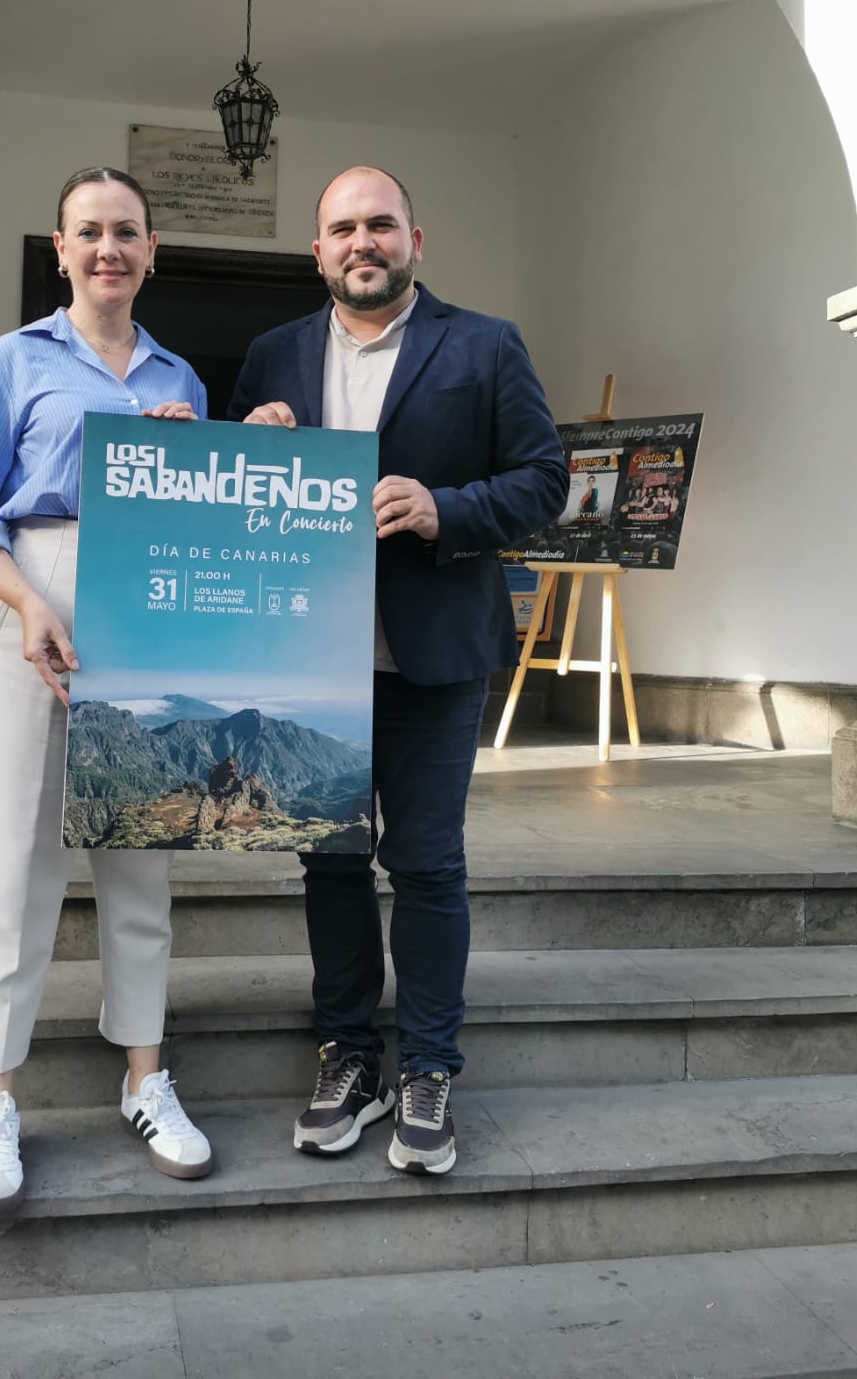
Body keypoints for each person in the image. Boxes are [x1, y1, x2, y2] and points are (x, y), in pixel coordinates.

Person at [228, 166, 568, 1175]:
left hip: (433, 656)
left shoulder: (486, 344)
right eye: (342, 228)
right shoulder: (271, 355)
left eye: (379, 224)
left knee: (425, 863)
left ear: (416, 237)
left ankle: (428, 1065)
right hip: (309, 656)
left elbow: (545, 477)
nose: (361, 242)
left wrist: (446, 510)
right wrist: (247, 449)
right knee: (329, 859)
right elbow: (238, 505)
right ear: (318, 250)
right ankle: (347, 1054)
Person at [0, 166, 214, 1214]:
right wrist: (25, 601)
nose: (109, 249)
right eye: (89, 232)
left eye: (127, 232)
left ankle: (146, 1077)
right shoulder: (11, 361)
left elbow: (200, 514)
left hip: (142, 602)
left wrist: (201, 461)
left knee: (141, 856)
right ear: (59, 249)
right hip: (30, 597)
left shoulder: (177, 372)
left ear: (152, 251)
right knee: (15, 857)